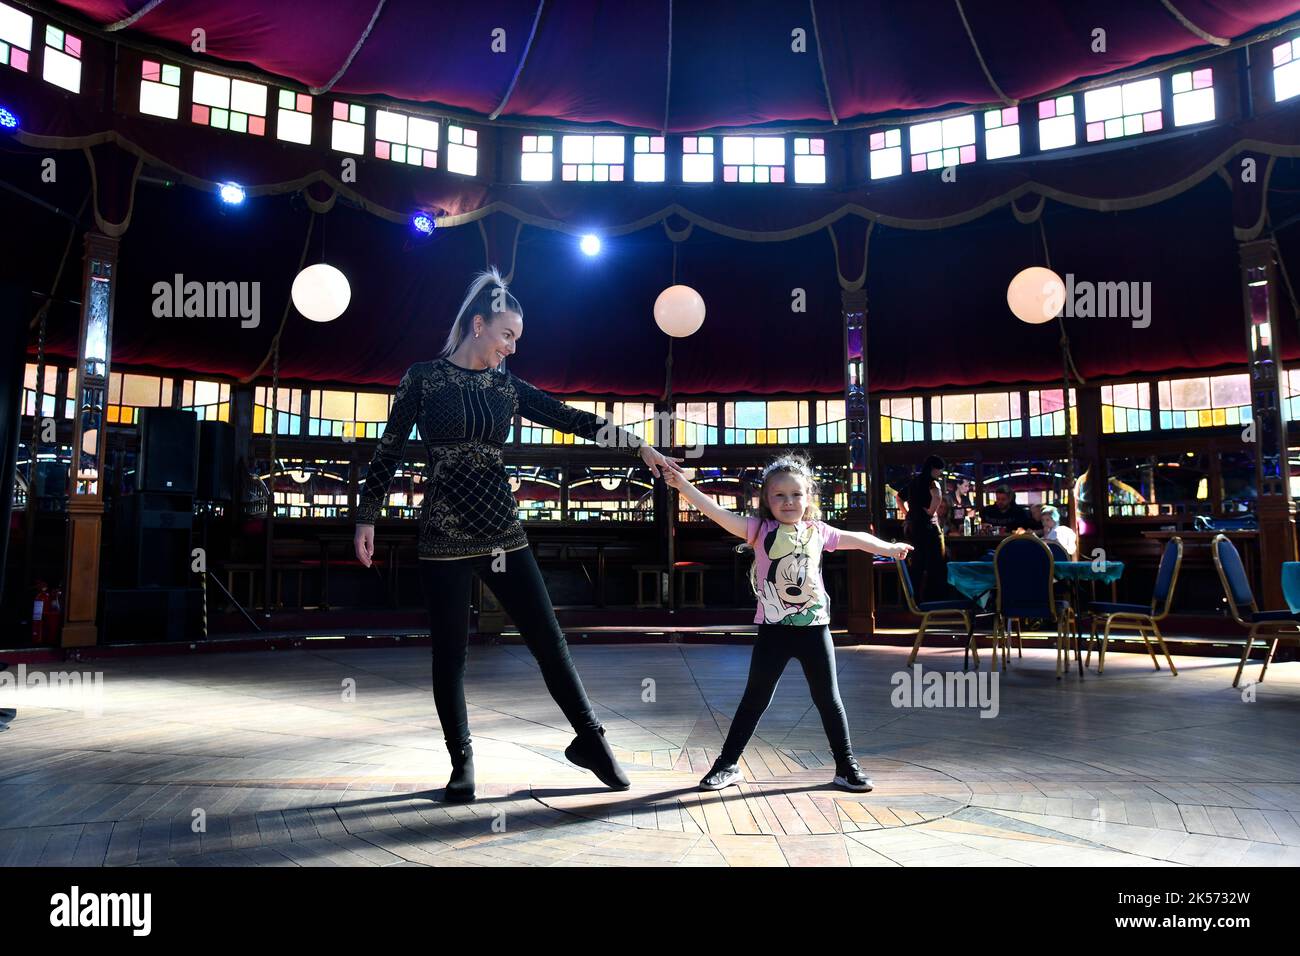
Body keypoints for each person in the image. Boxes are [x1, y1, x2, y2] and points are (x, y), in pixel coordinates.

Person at [353, 267, 686, 803]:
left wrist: (639, 448)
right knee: (449, 654)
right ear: (478, 324)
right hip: (441, 533)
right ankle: (461, 763)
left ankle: (592, 741)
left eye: (517, 339)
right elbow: (388, 449)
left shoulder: (507, 387)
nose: (511, 348)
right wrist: (366, 515)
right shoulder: (421, 379)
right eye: (507, 335)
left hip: (502, 531)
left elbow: (571, 417)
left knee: (549, 641)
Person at [664, 453, 912, 793]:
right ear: (766, 500)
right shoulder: (758, 530)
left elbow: (858, 539)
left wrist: (890, 546)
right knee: (755, 698)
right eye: (779, 495)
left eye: (796, 494)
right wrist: (683, 485)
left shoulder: (819, 532)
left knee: (828, 699)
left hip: (815, 631)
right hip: (774, 632)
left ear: (808, 497)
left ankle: (846, 766)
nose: (788, 501)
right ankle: (727, 764)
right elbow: (716, 513)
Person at [902, 454, 947, 601]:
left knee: (917, 564)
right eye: (939, 470)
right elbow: (938, 497)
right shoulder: (933, 482)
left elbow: (898, 497)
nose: (940, 473)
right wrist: (931, 511)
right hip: (928, 527)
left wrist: (906, 513)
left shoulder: (914, 482)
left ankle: (913, 599)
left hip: (912, 526)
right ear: (934, 469)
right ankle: (933, 599)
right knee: (935, 564)